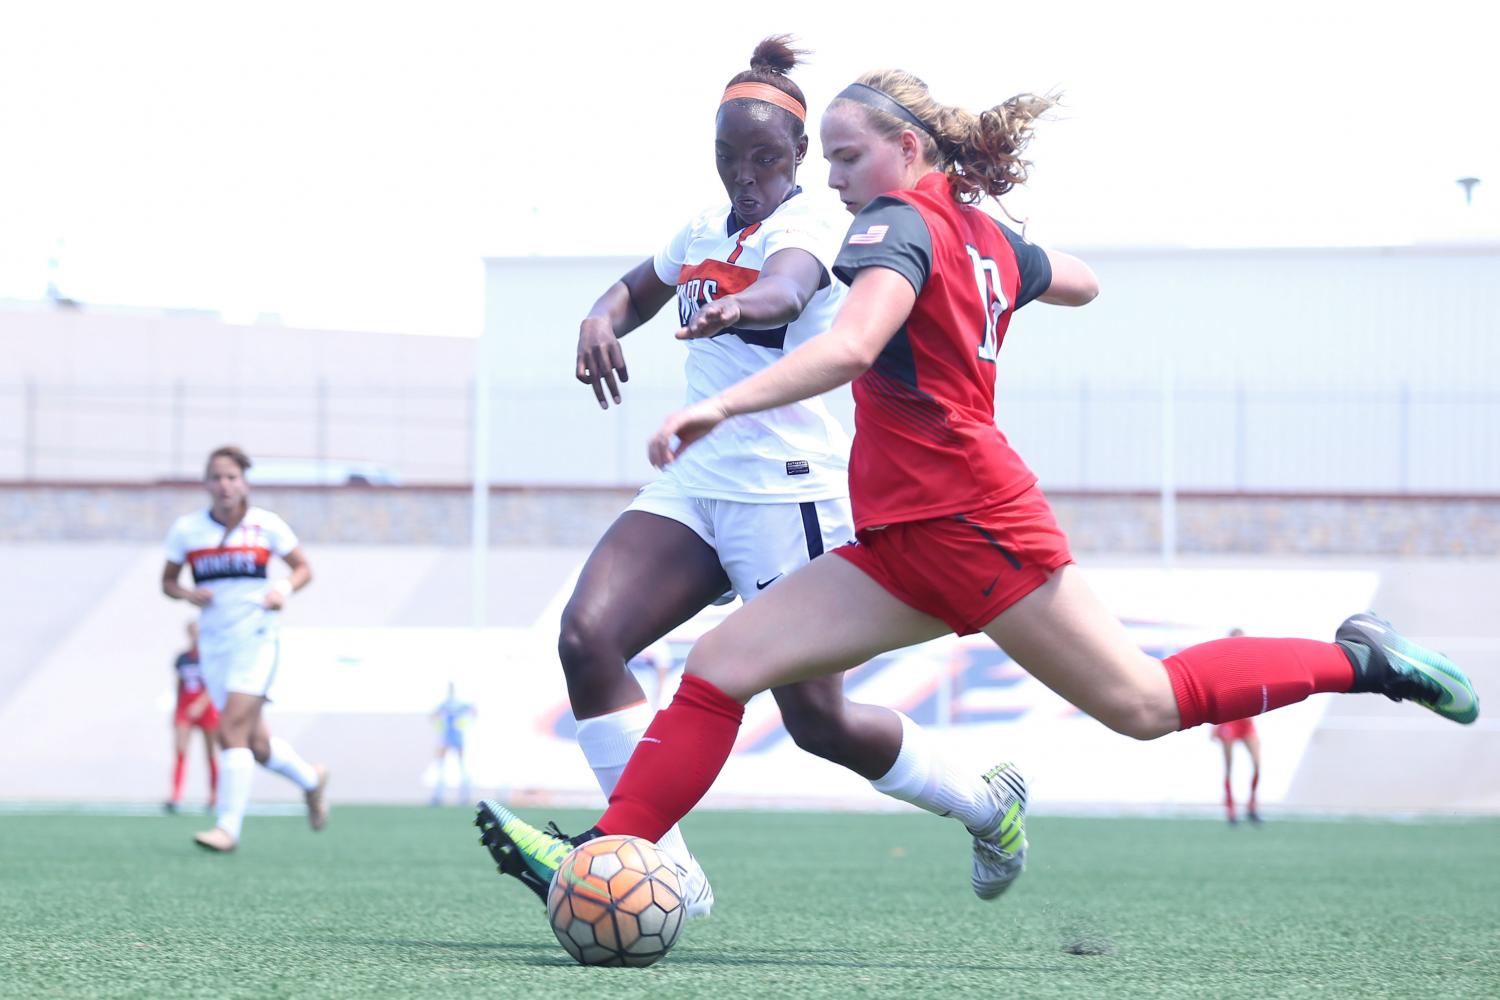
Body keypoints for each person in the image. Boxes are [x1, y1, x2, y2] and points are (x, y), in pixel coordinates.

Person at [482, 67, 1481, 898]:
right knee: (721, 669)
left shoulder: (886, 229)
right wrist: (1004, 262)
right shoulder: (966, 229)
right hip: (900, 538)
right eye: (824, 160)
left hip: (972, 525)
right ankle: (612, 856)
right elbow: (1082, 278)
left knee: (1143, 703)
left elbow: (851, 345)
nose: (830, 179)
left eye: (845, 155)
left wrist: (721, 405)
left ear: (909, 149)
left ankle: (1366, 662)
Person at [476, 39, 1038, 914]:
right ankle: (656, 864)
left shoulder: (814, 223)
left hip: (790, 495)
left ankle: (985, 804)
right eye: (729, 156)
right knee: (588, 637)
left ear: (800, 156)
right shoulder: (702, 227)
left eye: (765, 157)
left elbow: (786, 289)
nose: (746, 174)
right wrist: (598, 315)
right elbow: (637, 289)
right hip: (696, 489)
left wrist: (740, 304)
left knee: (819, 723)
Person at [161, 445, 330, 852]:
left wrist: (282, 589)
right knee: (254, 744)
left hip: (256, 638)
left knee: (229, 729)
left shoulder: (266, 525)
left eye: (232, 477)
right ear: (206, 483)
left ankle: (227, 829)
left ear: (244, 482)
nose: (224, 485)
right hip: (214, 645)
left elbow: (303, 568)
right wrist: (187, 593)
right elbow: (166, 582)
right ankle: (311, 779)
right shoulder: (188, 530)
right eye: (216, 477)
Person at [165, 621, 220, 813]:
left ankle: (214, 796)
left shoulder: (210, 656)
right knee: (180, 750)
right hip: (185, 708)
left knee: (211, 753)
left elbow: (214, 683)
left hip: (207, 709)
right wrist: (177, 708)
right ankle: (176, 796)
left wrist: (201, 704)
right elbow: (179, 684)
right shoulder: (183, 658)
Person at [1211, 628, 1262, 824]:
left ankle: (1252, 805)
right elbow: (1216, 692)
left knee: (1257, 764)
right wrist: (1213, 726)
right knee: (1229, 765)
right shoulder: (1223, 664)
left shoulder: (1251, 664)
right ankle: (1231, 809)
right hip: (1229, 720)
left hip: (1247, 721)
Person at [431, 682, 476, 806]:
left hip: (451, 737)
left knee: (456, 767)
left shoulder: (451, 704)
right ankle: (440, 795)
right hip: (450, 737)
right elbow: (473, 710)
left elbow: (433, 715)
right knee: (444, 767)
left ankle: (462, 796)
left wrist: (467, 723)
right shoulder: (454, 704)